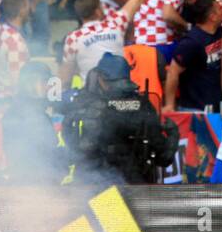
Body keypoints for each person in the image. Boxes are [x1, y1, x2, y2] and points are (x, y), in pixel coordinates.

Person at [61, 52, 178, 183]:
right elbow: (163, 158)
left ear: (101, 79)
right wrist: (173, 134)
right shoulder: (144, 106)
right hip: (136, 186)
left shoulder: (90, 106)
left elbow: (78, 154)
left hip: (97, 186)